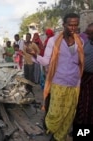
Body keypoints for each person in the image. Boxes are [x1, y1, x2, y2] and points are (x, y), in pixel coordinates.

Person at [27, 13, 84, 141]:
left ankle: (59, 137)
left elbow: (80, 63)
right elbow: (47, 61)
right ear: (64, 25)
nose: (73, 28)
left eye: (75, 25)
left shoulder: (80, 41)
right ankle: (50, 129)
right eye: (70, 25)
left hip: (74, 84)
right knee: (55, 114)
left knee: (69, 114)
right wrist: (35, 55)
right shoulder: (53, 41)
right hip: (59, 82)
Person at [74, 23, 93, 125]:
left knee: (89, 105)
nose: (88, 36)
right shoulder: (87, 43)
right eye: (88, 33)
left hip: (91, 79)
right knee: (81, 102)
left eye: (90, 34)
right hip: (84, 77)